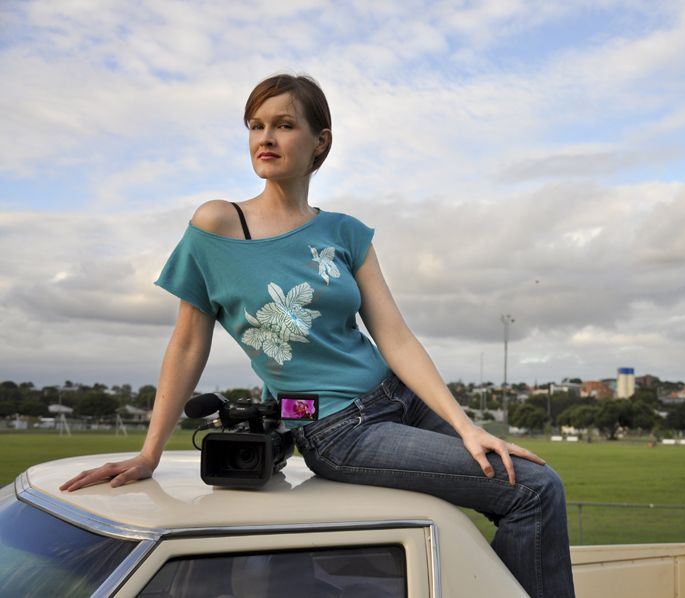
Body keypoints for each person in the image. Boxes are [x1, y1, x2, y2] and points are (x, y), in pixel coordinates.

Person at [60, 73, 575, 597]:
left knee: (526, 481)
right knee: (535, 490)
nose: (266, 138)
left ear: (320, 141)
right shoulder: (217, 224)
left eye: (284, 125)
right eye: (256, 125)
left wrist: (466, 427)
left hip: (398, 398)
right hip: (338, 430)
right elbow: (188, 343)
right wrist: (149, 453)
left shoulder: (346, 231)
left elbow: (395, 337)